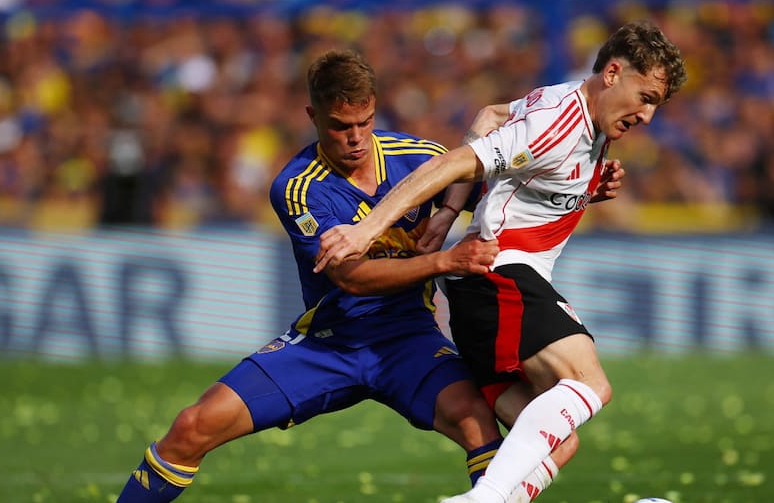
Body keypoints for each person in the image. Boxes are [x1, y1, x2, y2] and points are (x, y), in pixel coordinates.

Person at [115, 49, 575, 503]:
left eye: (365, 122)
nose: (355, 137)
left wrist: (587, 189)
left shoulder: (420, 159)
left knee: (477, 424)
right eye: (340, 126)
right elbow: (352, 278)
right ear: (313, 116)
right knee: (192, 426)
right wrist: (444, 262)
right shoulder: (297, 187)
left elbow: (508, 197)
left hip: (409, 340)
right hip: (328, 343)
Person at [315, 20, 687, 503]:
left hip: (484, 295)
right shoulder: (557, 123)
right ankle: (483, 499)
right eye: (646, 97)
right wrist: (367, 230)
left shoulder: (576, 110)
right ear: (613, 73)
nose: (648, 116)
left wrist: (454, 210)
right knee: (588, 382)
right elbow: (450, 162)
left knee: (557, 440)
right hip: (499, 274)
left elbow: (489, 114)